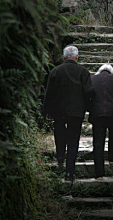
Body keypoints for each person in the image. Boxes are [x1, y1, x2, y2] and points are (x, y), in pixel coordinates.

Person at [42, 45, 93, 181]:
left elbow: (49, 93)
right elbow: (89, 92)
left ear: (63, 57)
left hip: (58, 111)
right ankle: (69, 172)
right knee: (73, 140)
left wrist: (47, 110)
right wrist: (87, 107)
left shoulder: (55, 71)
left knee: (59, 134)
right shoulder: (83, 72)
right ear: (77, 57)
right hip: (76, 112)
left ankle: (60, 160)